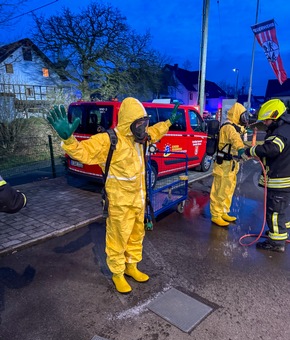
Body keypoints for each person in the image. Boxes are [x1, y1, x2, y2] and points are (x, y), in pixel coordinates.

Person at [47, 97, 181, 293]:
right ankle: (118, 274)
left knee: (137, 235)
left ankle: (132, 266)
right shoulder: (109, 140)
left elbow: (156, 132)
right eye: (140, 124)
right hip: (119, 204)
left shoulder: (140, 139)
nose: (144, 128)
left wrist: (168, 122)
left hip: (139, 201)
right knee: (117, 238)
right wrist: (68, 139)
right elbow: (83, 152)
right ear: (129, 123)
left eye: (145, 123)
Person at [244, 99, 290, 253]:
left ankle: (276, 243)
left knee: (275, 212)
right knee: (279, 210)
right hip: (283, 178)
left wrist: (251, 151)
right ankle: (276, 234)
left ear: (275, 116)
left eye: (267, 120)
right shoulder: (286, 129)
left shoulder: (281, 132)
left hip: (280, 180)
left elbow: (272, 149)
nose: (266, 123)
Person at [210, 102, 249, 227]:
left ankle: (224, 211)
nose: (244, 119)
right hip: (223, 165)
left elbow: (238, 132)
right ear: (237, 115)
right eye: (243, 116)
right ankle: (216, 215)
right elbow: (235, 138)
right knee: (220, 190)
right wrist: (241, 149)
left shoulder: (234, 126)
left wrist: (244, 129)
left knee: (228, 190)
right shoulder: (228, 127)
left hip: (231, 164)